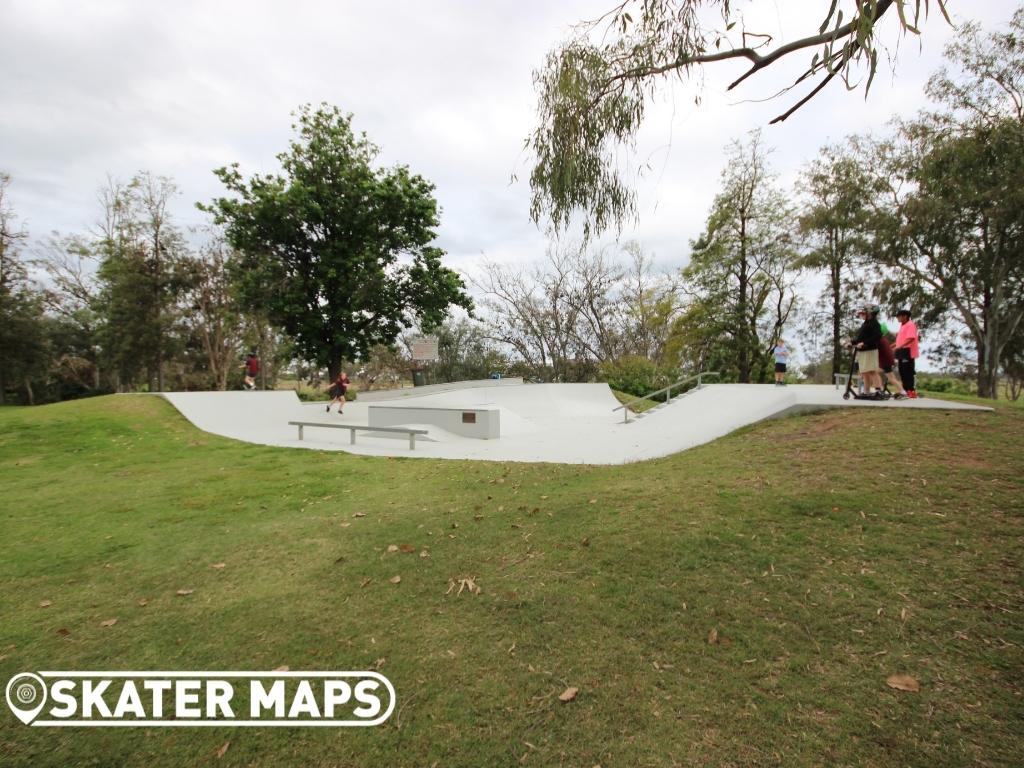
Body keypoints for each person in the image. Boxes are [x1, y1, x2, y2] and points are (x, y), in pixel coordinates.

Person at [850, 304, 884, 398]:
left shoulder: (874, 323)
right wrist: (852, 343)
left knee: (872, 370)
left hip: (870, 350)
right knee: (864, 372)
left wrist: (865, 343)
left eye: (865, 312)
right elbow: (861, 338)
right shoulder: (865, 323)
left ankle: (879, 391)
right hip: (863, 351)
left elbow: (877, 336)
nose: (862, 314)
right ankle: (866, 391)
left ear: (870, 313)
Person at [893, 308, 920, 398]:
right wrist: (892, 346)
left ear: (905, 316)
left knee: (907, 371)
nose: (897, 318)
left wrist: (900, 346)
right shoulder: (903, 326)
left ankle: (911, 391)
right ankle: (904, 390)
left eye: (899, 316)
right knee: (902, 371)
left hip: (908, 351)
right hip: (901, 351)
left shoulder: (910, 325)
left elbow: (910, 338)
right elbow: (900, 340)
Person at [877, 321, 907, 399]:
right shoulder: (883, 339)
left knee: (891, 378)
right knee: (876, 372)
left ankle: (902, 392)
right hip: (887, 361)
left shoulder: (879, 339)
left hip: (885, 361)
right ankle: (881, 389)